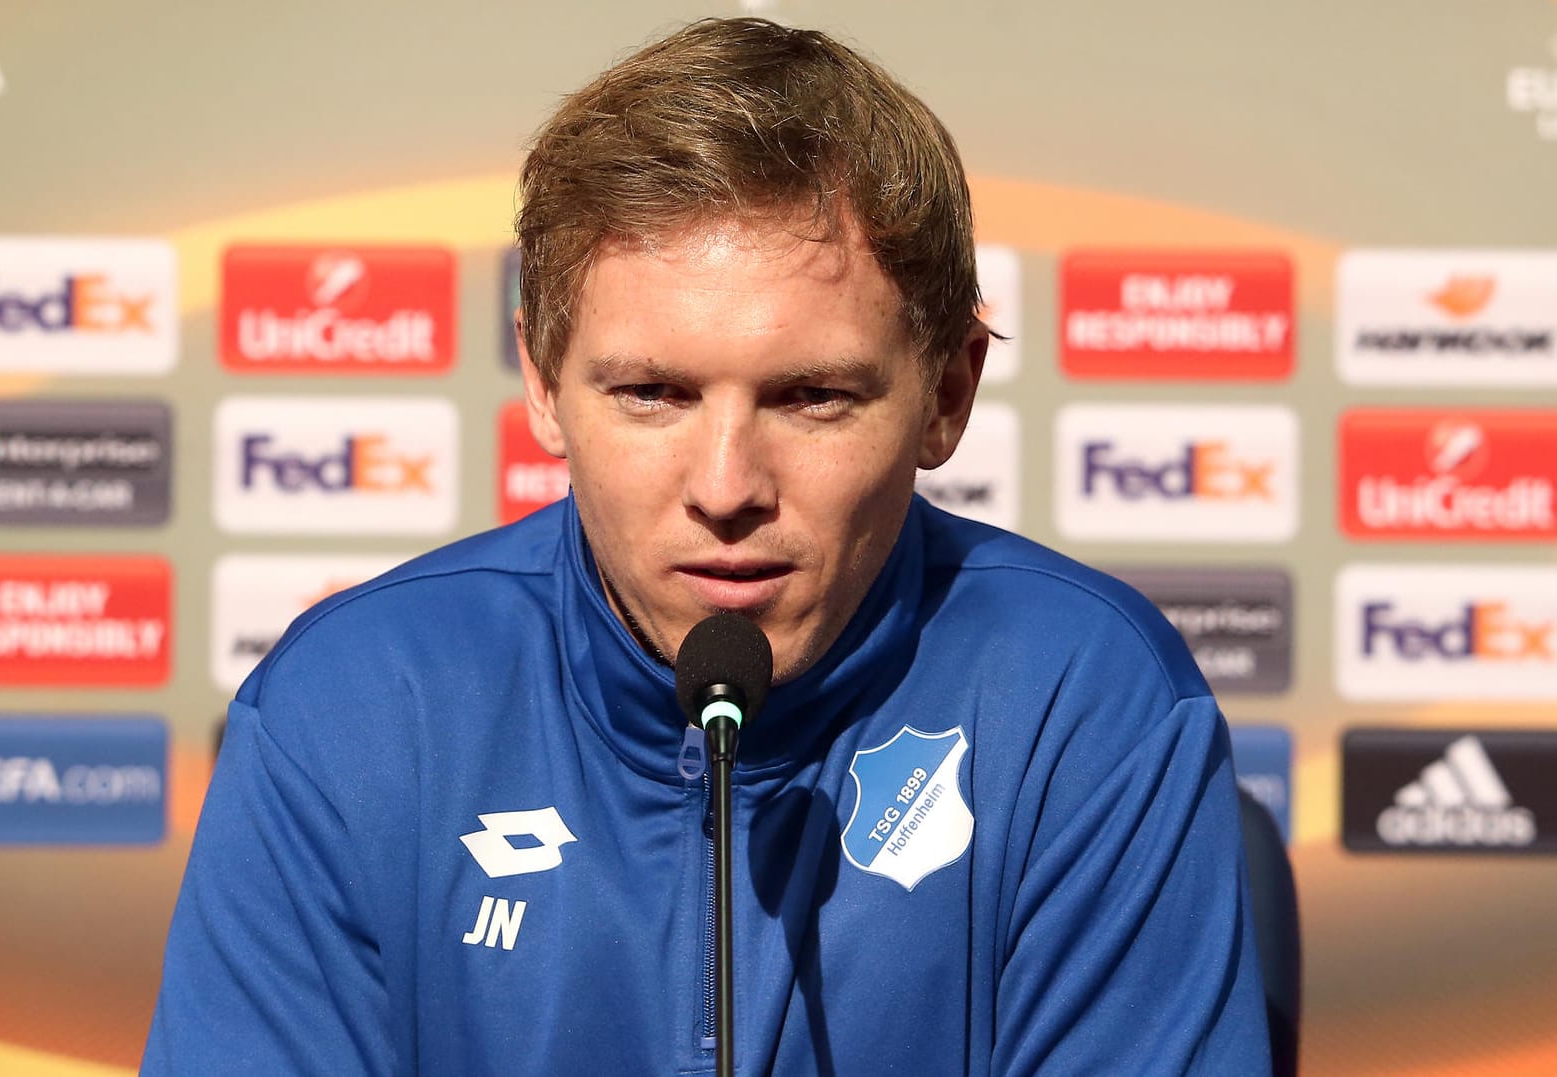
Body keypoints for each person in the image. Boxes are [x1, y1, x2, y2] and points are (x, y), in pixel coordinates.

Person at [143, 17, 1270, 1075]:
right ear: (542, 384)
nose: (726, 488)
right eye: (650, 393)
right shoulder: (351, 708)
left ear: (947, 395)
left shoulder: (1087, 702)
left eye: (813, 396)